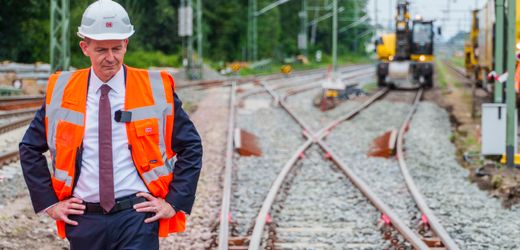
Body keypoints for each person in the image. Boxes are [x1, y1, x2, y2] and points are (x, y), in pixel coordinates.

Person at [19, 0, 203, 249]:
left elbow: (190, 145)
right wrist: (50, 203)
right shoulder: (62, 91)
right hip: (83, 219)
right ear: (85, 47)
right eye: (101, 50)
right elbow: (29, 148)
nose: (110, 58)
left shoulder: (156, 88)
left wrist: (173, 202)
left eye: (117, 48)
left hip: (137, 217)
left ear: (126, 43)